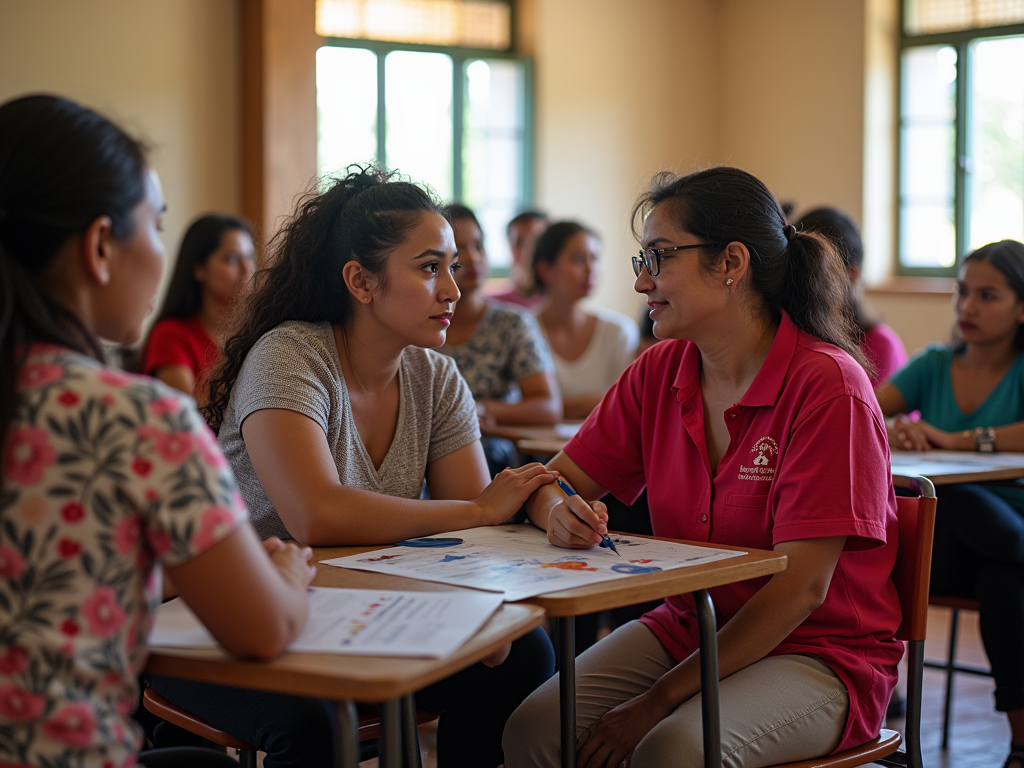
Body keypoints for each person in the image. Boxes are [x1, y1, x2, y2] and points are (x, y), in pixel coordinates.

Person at [150, 166, 557, 768]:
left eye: (454, 266)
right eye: (428, 268)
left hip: (363, 613)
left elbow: (480, 532)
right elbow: (316, 514)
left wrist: (482, 606)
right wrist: (477, 509)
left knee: (525, 655)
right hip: (232, 618)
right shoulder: (290, 355)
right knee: (315, 725)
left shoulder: (435, 374)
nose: (453, 289)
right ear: (360, 282)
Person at [503, 166, 902, 768]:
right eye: (641, 261)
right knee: (533, 729)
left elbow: (802, 590)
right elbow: (548, 481)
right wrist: (558, 511)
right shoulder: (657, 372)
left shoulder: (829, 386)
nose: (641, 283)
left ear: (731, 263)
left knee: (671, 749)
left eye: (658, 258)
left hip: (819, 653)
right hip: (691, 626)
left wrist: (657, 701)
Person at [0, 94, 314, 768]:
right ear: (100, 246)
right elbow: (261, 628)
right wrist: (284, 570)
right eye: (156, 224)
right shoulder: (133, 419)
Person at [877, 239, 1024, 768]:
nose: (967, 307)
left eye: (988, 296)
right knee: (952, 503)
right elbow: (862, 411)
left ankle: (1022, 745)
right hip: (941, 552)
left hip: (997, 542)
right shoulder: (934, 364)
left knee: (1003, 579)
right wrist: (898, 427)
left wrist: (952, 439)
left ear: (1022, 306)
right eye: (963, 292)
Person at [141, 214, 255, 403]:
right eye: (232, 259)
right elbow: (187, 416)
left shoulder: (256, 333)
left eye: (250, 256)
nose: (247, 268)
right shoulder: (170, 335)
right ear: (199, 268)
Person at [533, 221, 639, 419]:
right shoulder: (523, 330)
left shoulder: (619, 331)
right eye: (578, 259)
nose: (591, 270)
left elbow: (627, 403)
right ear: (545, 269)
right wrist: (597, 400)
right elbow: (515, 406)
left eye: (595, 258)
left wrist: (547, 408)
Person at [795, 207, 907, 386]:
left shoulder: (882, 346)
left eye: (816, 274)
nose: (803, 284)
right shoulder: (790, 337)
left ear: (851, 274)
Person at [488, 209, 548, 309]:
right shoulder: (494, 304)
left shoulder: (562, 301)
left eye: (535, 241)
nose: (527, 250)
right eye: (519, 243)